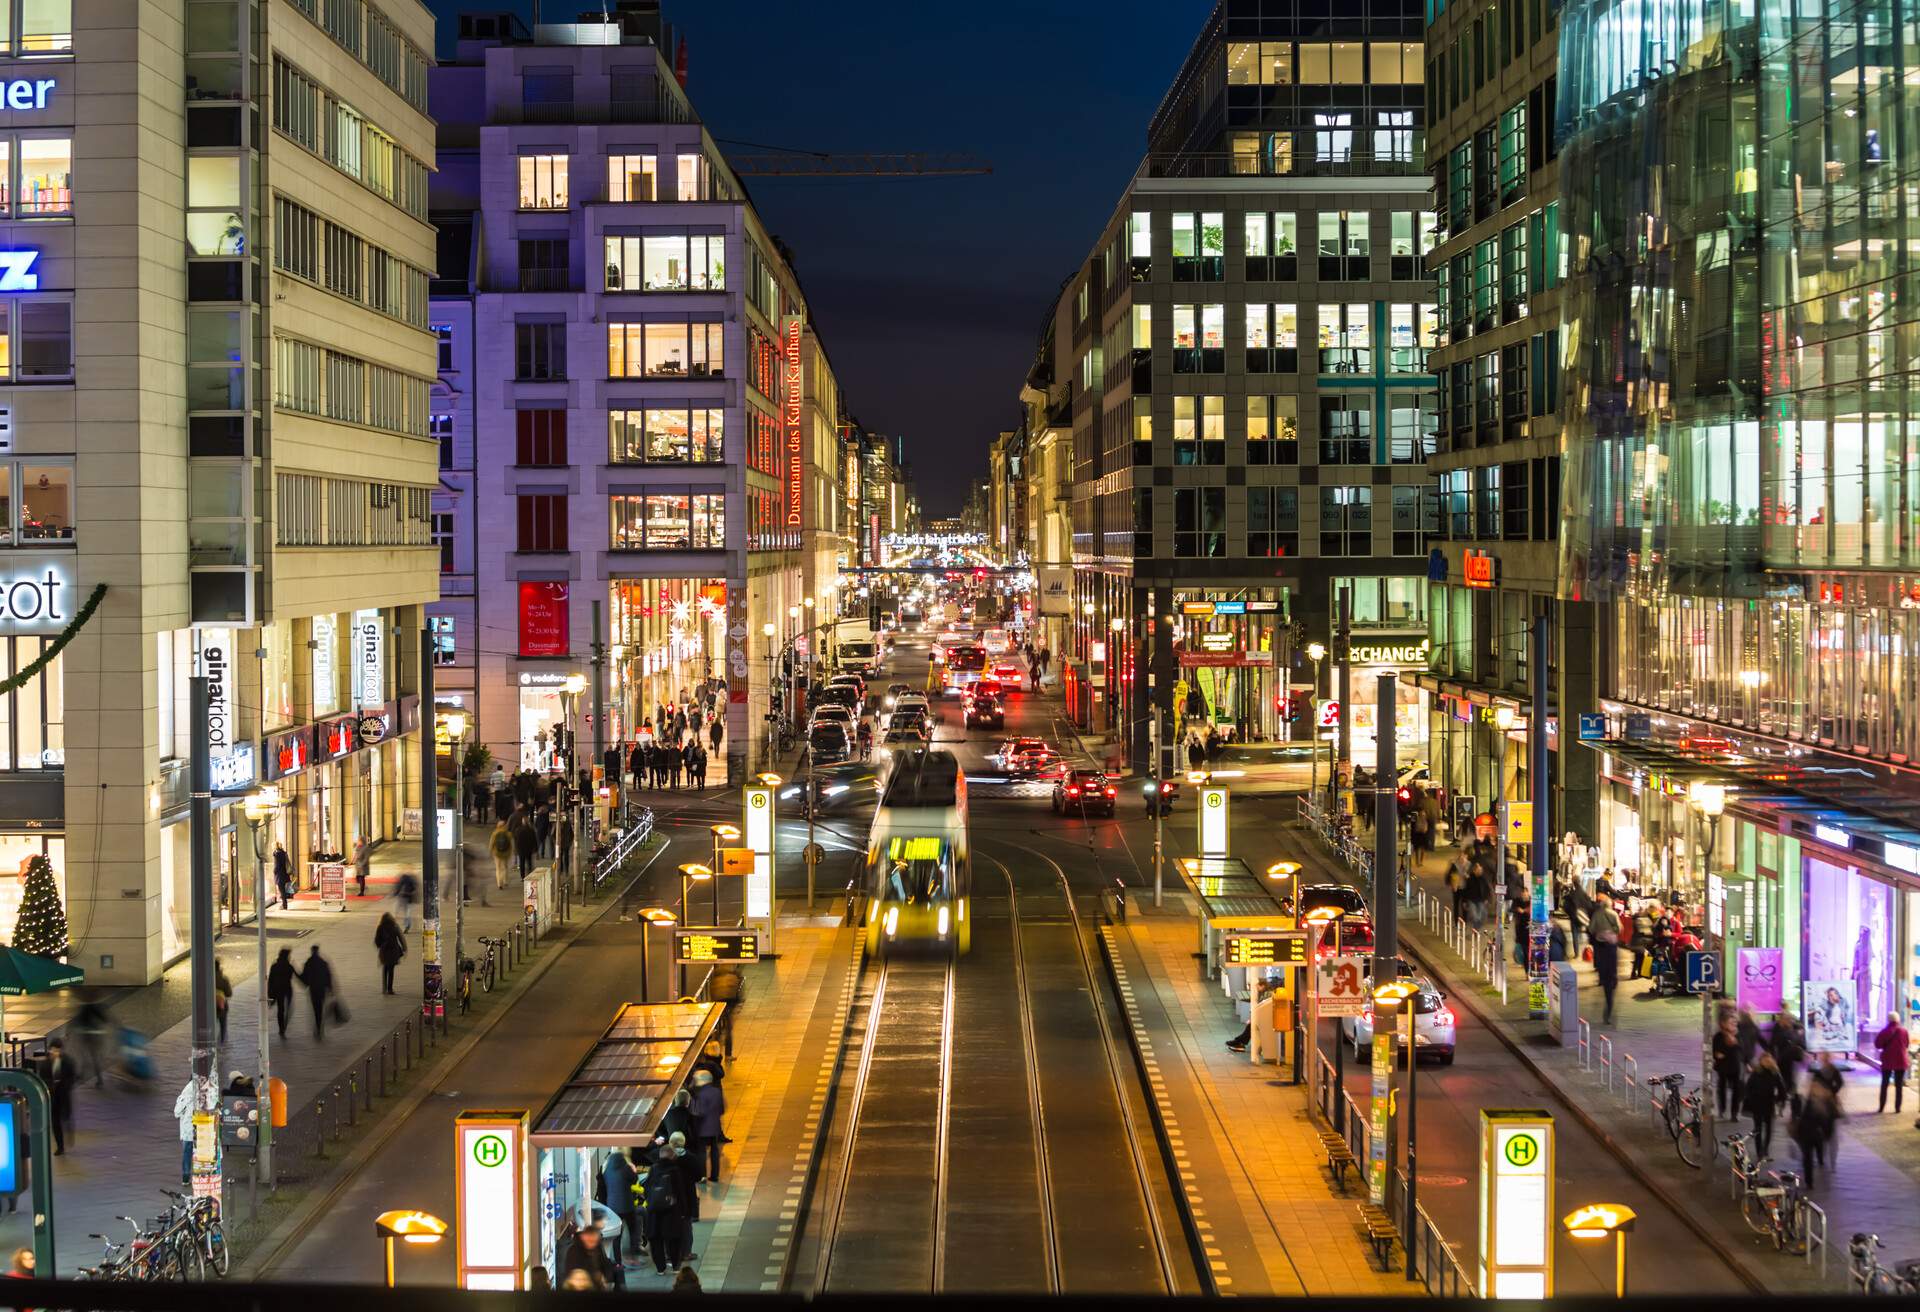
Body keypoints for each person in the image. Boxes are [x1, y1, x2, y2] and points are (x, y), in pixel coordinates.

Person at [643, 1144, 688, 1272]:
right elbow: (680, 1192)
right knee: (673, 1239)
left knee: (656, 1241)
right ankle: (675, 1266)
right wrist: (683, 1210)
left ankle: (660, 1269)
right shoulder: (675, 1170)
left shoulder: (653, 1169)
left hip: (655, 1212)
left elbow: (647, 1189)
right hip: (672, 1212)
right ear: (672, 1155)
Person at [1795, 1076, 1840, 1188]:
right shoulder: (1806, 1100)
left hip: (1817, 1134)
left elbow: (1833, 1116)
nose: (1814, 1089)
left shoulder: (1826, 1101)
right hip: (1806, 1133)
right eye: (1813, 1087)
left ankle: (1820, 1160)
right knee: (1807, 1158)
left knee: (1816, 1151)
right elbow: (1800, 1116)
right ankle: (1809, 1181)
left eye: (1817, 1087)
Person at [1743, 1051, 1787, 1158]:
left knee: (1768, 1128)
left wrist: (1779, 1100)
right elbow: (1749, 1087)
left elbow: (1782, 1089)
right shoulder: (1756, 1072)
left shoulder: (1775, 1072)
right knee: (1758, 1128)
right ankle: (1759, 1151)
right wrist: (1750, 1099)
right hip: (1757, 1104)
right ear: (1761, 1061)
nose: (1766, 1061)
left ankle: (1765, 1148)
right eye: (1764, 1060)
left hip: (1769, 1103)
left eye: (1768, 1059)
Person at [601, 1149, 639, 1268]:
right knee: (633, 1230)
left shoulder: (607, 1170)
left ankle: (618, 1262)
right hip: (627, 1205)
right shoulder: (625, 1168)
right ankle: (632, 1257)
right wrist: (633, 1169)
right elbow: (634, 1179)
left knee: (617, 1235)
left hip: (613, 1206)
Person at [1587, 896, 1622, 1024]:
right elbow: (1619, 928)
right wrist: (1611, 932)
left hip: (1600, 946)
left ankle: (1604, 978)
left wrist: (1599, 933)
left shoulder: (1596, 914)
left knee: (1602, 965)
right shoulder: (1613, 914)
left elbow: (1591, 929)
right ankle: (1612, 978)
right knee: (1612, 966)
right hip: (1611, 945)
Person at [36, 1039, 73, 1155]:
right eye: (53, 1050)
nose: (54, 1052)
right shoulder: (46, 1063)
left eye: (57, 1050)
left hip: (64, 1095)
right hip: (53, 1097)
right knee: (55, 1122)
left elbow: (72, 1077)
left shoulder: (67, 1062)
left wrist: (64, 1085)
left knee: (65, 1117)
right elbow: (42, 1077)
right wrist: (51, 1085)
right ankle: (60, 1146)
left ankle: (69, 1128)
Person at [689, 1067, 724, 1184]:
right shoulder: (716, 1091)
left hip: (702, 1128)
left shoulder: (700, 1094)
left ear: (701, 1080)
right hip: (715, 1127)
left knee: (701, 1152)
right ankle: (715, 1175)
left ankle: (702, 1176)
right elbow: (721, 1109)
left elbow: (699, 1112)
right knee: (714, 1151)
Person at [561, 1223, 617, 1291]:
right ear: (583, 1237)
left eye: (594, 1241)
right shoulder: (573, 1251)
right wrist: (596, 1276)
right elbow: (576, 1276)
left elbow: (605, 1262)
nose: (592, 1244)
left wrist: (607, 1277)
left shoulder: (598, 1247)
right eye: (590, 1241)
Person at [1874, 1012, 1910, 1113]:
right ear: (1898, 1020)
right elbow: (1907, 1044)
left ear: (1888, 1020)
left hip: (1887, 1061)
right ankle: (1897, 1108)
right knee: (1899, 1086)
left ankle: (1881, 1107)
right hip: (1901, 1060)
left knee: (1884, 1084)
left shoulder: (1884, 1031)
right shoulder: (1904, 1031)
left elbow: (1877, 1045)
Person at [298, 945, 335, 1039]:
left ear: (311, 951)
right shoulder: (323, 962)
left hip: (313, 990)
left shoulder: (308, 963)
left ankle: (318, 1028)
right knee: (320, 1008)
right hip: (321, 990)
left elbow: (304, 979)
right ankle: (319, 1028)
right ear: (318, 951)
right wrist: (330, 988)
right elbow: (328, 975)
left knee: (316, 1010)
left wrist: (295, 972)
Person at [73, 997, 110, 1088]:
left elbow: (77, 1021)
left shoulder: (84, 1008)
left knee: (85, 1055)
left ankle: (83, 1076)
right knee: (93, 1057)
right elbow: (105, 1019)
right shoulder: (96, 1007)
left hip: (87, 1036)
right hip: (95, 1036)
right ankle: (98, 1079)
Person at [1712, 1014, 1745, 1118]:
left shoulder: (1738, 1035)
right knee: (1721, 1088)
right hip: (1722, 1067)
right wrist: (1729, 1048)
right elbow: (1716, 1052)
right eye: (1731, 1023)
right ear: (1724, 1024)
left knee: (1736, 1090)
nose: (1734, 1024)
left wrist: (1733, 1045)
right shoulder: (1718, 1036)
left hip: (1735, 1066)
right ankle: (1722, 1109)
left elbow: (1742, 1050)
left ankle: (1734, 1113)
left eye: (1735, 1023)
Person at [374, 912, 407, 995]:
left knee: (385, 969)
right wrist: (404, 948)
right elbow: (401, 937)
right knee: (391, 970)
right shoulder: (394, 926)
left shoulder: (380, 927)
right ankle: (390, 989)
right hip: (393, 950)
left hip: (384, 951)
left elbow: (377, 940)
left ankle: (384, 988)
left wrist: (380, 946)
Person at [267, 947, 297, 1039]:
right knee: (288, 1009)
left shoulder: (275, 966)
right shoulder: (289, 966)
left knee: (281, 1010)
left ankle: (281, 1028)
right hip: (287, 990)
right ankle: (283, 1027)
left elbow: (270, 981)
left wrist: (269, 993)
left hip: (278, 990)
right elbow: (298, 976)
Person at [489, 822, 512, 893]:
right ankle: (505, 881)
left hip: (497, 853)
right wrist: (510, 852)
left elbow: (491, 843)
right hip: (505, 853)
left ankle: (499, 883)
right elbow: (510, 844)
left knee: (498, 868)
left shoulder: (495, 833)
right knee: (505, 867)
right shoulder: (508, 834)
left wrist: (491, 851)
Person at [513, 816, 538, 881]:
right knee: (529, 863)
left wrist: (516, 849)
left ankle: (522, 876)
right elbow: (534, 840)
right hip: (529, 849)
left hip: (521, 850)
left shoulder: (518, 830)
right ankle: (529, 874)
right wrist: (535, 849)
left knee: (522, 864)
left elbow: (516, 840)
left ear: (522, 822)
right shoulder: (531, 830)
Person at [214, 961, 233, 1043]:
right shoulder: (223, 979)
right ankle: (222, 1041)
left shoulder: (205, 979)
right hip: (221, 1005)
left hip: (209, 1006)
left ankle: (210, 1040)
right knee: (223, 1024)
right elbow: (229, 993)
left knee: (210, 1023)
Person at [273, 841, 294, 909]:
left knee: (281, 890)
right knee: (283, 890)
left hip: (280, 875)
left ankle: (284, 905)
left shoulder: (277, 854)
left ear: (275, 846)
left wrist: (274, 872)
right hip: (285, 874)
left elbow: (277, 866)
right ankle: (284, 904)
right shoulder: (283, 853)